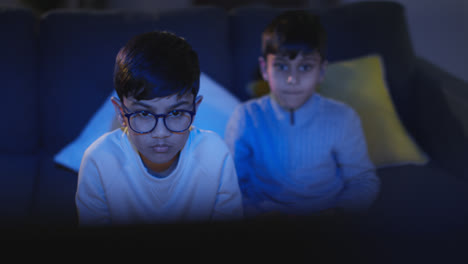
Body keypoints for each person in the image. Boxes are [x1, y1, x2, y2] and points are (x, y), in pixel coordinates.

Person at [76, 31, 243, 226]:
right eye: (144, 114)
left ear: (194, 109)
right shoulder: (99, 160)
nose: (161, 133)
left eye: (175, 113)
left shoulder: (214, 154)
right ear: (121, 113)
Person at [224, 10, 380, 218]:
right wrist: (256, 212)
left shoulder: (342, 118)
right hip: (265, 223)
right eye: (281, 66)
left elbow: (362, 180)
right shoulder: (246, 118)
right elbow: (231, 185)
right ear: (264, 68)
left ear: (322, 71)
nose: (292, 79)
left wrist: (338, 212)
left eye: (305, 67)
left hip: (327, 221)